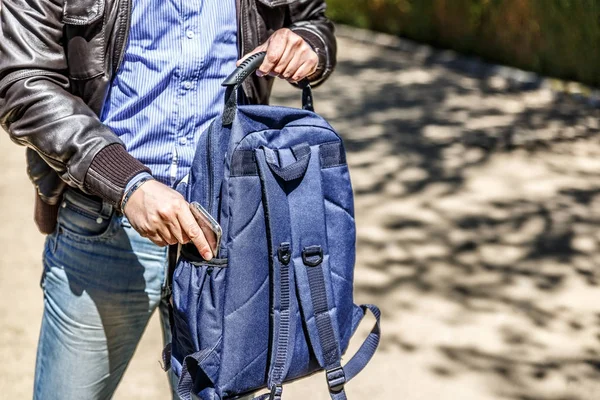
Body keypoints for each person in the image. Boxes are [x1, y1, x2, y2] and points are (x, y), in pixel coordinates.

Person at [0, 0, 336, 398]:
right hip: (103, 226)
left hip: (231, 229)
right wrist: (127, 182)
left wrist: (307, 45)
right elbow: (23, 81)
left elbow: (314, 22)